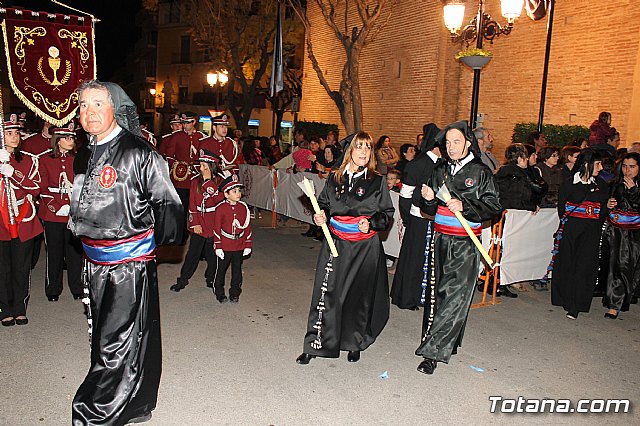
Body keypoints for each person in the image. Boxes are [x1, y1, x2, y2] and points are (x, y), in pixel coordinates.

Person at [69, 80, 182, 425]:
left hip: (127, 263)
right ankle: (138, 401)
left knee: (113, 342)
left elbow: (170, 206)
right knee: (130, 334)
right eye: (83, 105)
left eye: (97, 104)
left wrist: (144, 247)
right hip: (95, 261)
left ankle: (96, 413)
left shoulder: (139, 152)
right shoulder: (85, 152)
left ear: (114, 108)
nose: (89, 112)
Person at [296, 131, 394, 365]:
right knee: (326, 292)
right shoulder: (334, 178)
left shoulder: (377, 180)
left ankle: (354, 342)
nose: (363, 152)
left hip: (364, 247)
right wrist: (321, 217)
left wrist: (371, 222)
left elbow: (386, 215)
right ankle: (316, 343)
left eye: (367, 148)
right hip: (336, 242)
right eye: (359, 147)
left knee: (358, 296)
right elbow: (324, 205)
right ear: (350, 151)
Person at [415, 120, 501, 375]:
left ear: (467, 143)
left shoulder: (480, 172)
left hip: (464, 243)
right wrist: (428, 199)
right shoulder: (439, 169)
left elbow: (494, 206)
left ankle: (432, 353)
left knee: (455, 295)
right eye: (448, 143)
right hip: (440, 239)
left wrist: (465, 206)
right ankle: (445, 341)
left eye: (456, 142)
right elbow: (427, 208)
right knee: (438, 294)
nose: (451, 147)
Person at [550, 149, 613, 320]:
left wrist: (608, 206)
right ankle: (564, 298)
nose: (600, 168)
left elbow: (603, 210)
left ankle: (576, 304)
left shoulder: (601, 185)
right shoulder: (569, 184)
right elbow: (562, 209)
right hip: (571, 230)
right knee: (568, 263)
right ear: (587, 164)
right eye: (598, 164)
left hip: (591, 231)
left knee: (585, 266)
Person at [390, 123, 440, 311]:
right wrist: (409, 218)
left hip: (435, 219)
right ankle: (408, 297)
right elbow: (405, 195)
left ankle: (426, 297)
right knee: (414, 258)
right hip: (418, 218)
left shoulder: (442, 164)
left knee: (430, 260)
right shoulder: (417, 164)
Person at [0, 113, 42, 327]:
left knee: (21, 267)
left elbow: (35, 188)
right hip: (1, 221)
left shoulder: (28, 160)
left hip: (23, 218)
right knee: (3, 267)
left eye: (16, 132)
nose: (14, 137)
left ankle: (19, 307)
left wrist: (13, 172)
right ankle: (5, 308)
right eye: (9, 133)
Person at [38, 121, 83, 302]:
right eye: (67, 137)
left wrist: (74, 206)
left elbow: (82, 185)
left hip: (73, 211)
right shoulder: (45, 160)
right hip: (52, 213)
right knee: (54, 252)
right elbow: (42, 187)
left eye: (72, 137)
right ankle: (53, 288)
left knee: (75, 252)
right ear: (57, 140)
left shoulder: (78, 159)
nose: (71, 140)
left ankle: (77, 286)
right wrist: (56, 207)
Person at [170, 149, 226, 293]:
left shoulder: (220, 181)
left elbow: (219, 200)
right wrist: (194, 223)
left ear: (211, 166)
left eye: (203, 165)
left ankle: (211, 278)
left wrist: (208, 182)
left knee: (212, 254)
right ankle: (183, 279)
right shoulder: (195, 181)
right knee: (193, 254)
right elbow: (192, 204)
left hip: (214, 222)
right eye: (200, 165)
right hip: (200, 221)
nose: (200, 168)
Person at [159, 111, 206, 244]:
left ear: (194, 122)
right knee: (182, 208)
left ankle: (200, 237)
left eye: (187, 123)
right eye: (183, 123)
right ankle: (181, 236)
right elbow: (168, 156)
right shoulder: (177, 136)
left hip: (197, 178)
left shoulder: (201, 137)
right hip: (181, 180)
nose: (185, 126)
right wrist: (180, 167)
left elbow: (204, 157)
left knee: (199, 208)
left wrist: (197, 168)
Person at [603, 153, 640, 319]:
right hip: (619, 232)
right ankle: (614, 303)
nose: (628, 170)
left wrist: (634, 191)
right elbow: (609, 204)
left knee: (634, 267)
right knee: (618, 265)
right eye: (625, 166)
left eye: (632, 166)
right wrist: (609, 204)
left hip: (636, 232)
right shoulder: (615, 184)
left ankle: (628, 295)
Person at [213, 174, 252, 303]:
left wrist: (247, 244)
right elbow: (217, 228)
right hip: (225, 244)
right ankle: (219, 292)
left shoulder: (243, 208)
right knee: (221, 269)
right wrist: (218, 246)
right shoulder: (220, 209)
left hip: (239, 244)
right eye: (234, 191)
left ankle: (235, 292)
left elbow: (247, 227)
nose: (238, 194)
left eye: (239, 191)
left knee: (237, 270)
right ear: (226, 194)